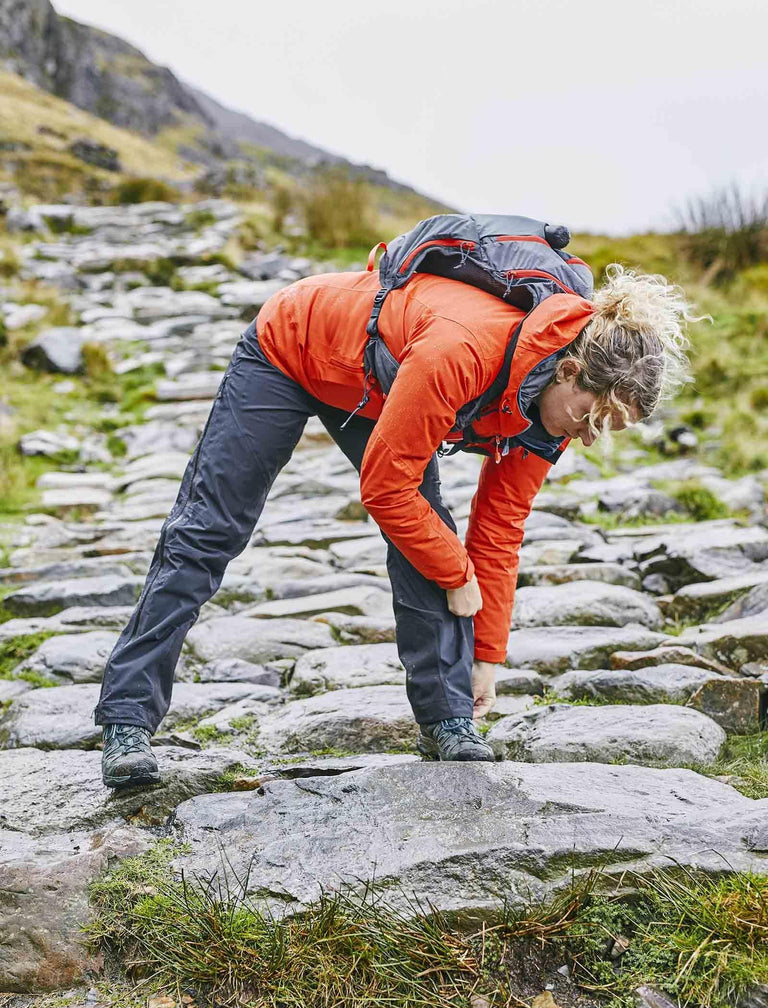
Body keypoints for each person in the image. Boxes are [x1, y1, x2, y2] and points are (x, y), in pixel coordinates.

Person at [96, 258, 692, 787]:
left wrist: (487, 655)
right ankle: (127, 720)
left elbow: (500, 527)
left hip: (379, 384)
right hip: (293, 346)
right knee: (208, 531)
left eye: (604, 432)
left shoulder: (546, 416)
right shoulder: (463, 350)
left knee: (427, 536)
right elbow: (385, 489)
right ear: (569, 371)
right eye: (591, 418)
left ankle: (449, 719)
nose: (586, 438)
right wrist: (458, 574)